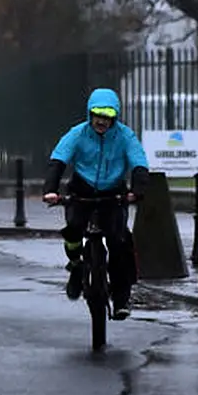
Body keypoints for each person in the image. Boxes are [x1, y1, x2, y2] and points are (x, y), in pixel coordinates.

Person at [42, 88, 149, 320]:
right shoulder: (77, 134)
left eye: (107, 116)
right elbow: (59, 159)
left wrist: (138, 190)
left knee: (119, 243)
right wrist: (50, 190)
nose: (101, 121)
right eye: (97, 115)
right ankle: (76, 263)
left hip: (113, 192)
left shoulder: (125, 136)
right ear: (90, 114)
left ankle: (121, 298)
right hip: (82, 189)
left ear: (115, 117)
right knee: (73, 230)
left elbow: (139, 161)